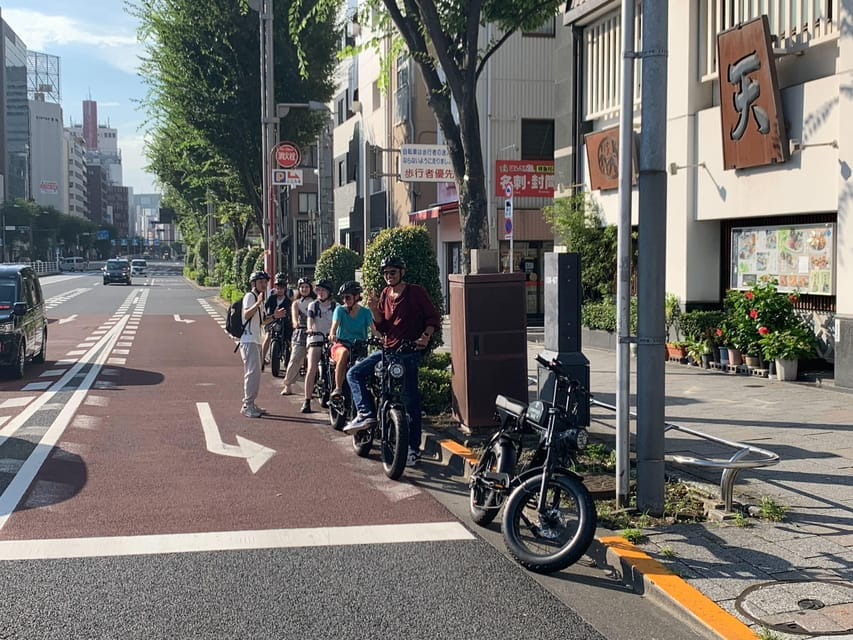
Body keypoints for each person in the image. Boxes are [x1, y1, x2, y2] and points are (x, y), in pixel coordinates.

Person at [343, 256, 441, 466]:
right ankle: (366, 413)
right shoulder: (386, 293)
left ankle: (413, 449)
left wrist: (425, 336)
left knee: (410, 402)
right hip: (388, 350)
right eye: (386, 273)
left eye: (393, 272)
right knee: (354, 373)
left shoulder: (415, 292)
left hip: (408, 353)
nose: (389, 276)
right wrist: (374, 310)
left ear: (402, 272)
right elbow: (382, 325)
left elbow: (433, 317)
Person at [239, 271, 285, 417]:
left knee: (256, 374)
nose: (264, 284)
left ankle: (251, 403)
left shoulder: (260, 298)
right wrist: (258, 303)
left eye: (265, 282)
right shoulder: (250, 296)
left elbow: (262, 320)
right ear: (253, 284)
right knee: (252, 374)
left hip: (256, 340)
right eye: (260, 282)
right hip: (248, 340)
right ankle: (248, 405)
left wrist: (274, 316)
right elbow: (246, 314)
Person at [329, 281, 374, 399]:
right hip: (341, 345)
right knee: (344, 353)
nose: (344, 300)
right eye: (342, 297)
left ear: (357, 296)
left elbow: (374, 330)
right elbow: (334, 326)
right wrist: (332, 334)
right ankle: (338, 388)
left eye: (347, 297)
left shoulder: (365, 312)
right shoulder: (340, 310)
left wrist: (382, 340)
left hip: (359, 347)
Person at [301, 279, 336, 413]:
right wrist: (310, 328)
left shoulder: (335, 306)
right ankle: (307, 401)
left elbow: (337, 322)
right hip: (315, 337)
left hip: (330, 339)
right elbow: (310, 319)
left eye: (323, 290)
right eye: (318, 290)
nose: (320, 293)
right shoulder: (313, 305)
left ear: (329, 292)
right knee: (312, 367)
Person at [281, 277, 315, 395]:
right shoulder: (296, 303)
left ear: (311, 288)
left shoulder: (316, 302)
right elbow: (294, 318)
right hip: (300, 334)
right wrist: (296, 324)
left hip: (315, 334)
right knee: (295, 359)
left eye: (306, 287)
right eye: (302, 287)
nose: (304, 289)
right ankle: (288, 385)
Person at [262, 273, 292, 369]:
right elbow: (264, 308)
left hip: (285, 323)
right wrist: (265, 316)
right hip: (272, 321)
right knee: (267, 337)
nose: (279, 290)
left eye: (281, 288)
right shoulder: (271, 298)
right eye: (277, 288)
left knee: (290, 340)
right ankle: (261, 359)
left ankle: (291, 362)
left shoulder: (288, 300)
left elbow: (292, 311)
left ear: (285, 288)